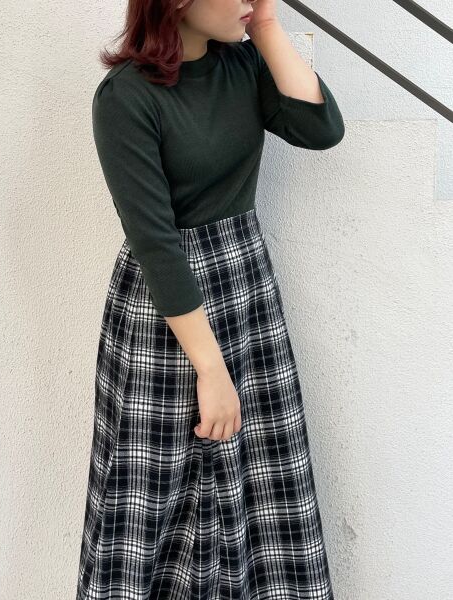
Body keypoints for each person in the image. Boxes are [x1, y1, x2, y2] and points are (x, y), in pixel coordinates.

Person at [76, 0, 345, 598]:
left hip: (245, 288)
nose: (253, 1)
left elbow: (321, 129)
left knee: (259, 477)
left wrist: (267, 27)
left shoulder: (242, 64)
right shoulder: (125, 98)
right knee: (153, 491)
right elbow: (155, 242)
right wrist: (211, 369)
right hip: (168, 311)